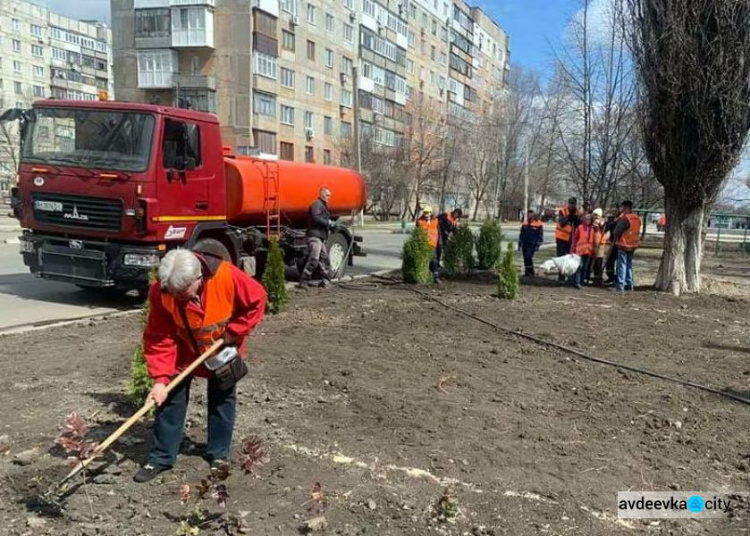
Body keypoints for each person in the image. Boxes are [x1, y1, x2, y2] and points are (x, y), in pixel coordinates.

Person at [134, 247, 267, 483]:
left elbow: (257, 299)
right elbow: (159, 336)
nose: (179, 297)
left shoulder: (226, 275)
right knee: (169, 398)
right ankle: (161, 457)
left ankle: (219, 454)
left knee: (222, 398)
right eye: (175, 292)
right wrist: (160, 379)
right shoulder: (162, 291)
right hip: (184, 351)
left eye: (184, 292)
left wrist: (234, 332)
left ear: (199, 278)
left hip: (221, 349)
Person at [299, 187, 336, 288]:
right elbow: (316, 217)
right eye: (328, 195)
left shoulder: (323, 205)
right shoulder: (317, 204)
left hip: (320, 237)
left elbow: (321, 219)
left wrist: (330, 226)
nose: (329, 197)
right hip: (314, 236)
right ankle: (304, 281)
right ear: (322, 194)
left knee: (324, 259)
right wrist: (328, 222)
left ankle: (326, 281)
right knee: (314, 259)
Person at [611, 200, 642, 293]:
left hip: (623, 245)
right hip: (633, 245)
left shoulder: (625, 219)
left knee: (622, 265)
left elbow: (616, 232)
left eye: (622, 207)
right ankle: (629, 284)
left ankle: (620, 286)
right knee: (629, 265)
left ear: (625, 207)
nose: (621, 209)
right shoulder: (637, 218)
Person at [555, 197, 582, 281]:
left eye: (573, 203)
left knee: (571, 258)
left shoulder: (578, 212)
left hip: (572, 239)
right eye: (570, 203)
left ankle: (570, 277)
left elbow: (580, 223)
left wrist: (576, 219)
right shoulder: (562, 211)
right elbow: (562, 222)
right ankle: (561, 277)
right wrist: (569, 217)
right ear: (568, 203)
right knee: (561, 258)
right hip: (562, 239)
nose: (572, 205)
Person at [417, 205, 441, 283]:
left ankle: (436, 277)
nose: (425, 214)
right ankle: (424, 276)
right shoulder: (420, 221)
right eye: (424, 212)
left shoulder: (436, 221)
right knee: (425, 260)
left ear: (431, 213)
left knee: (434, 260)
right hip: (423, 243)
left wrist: (439, 242)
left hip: (433, 243)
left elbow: (439, 232)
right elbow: (417, 232)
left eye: (427, 212)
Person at [570, 212, 595, 289]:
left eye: (589, 219)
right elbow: (574, 240)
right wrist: (572, 250)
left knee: (585, 268)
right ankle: (577, 282)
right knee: (579, 267)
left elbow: (592, 241)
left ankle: (582, 282)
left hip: (588, 251)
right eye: (586, 219)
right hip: (580, 251)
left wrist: (593, 251)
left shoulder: (592, 229)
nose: (588, 220)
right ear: (583, 220)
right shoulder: (579, 228)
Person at [518, 209, 544, 277]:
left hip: (532, 243)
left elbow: (540, 235)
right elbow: (521, 234)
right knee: (525, 258)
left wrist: (538, 244)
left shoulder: (538, 224)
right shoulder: (525, 223)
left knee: (529, 256)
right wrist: (520, 243)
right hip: (525, 243)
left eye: (531, 214)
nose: (529, 215)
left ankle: (531, 272)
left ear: (533, 215)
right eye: (528, 214)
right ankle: (527, 272)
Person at [590, 208, 608, 286]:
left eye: (596, 215)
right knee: (593, 262)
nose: (595, 217)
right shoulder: (591, 222)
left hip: (600, 244)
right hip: (592, 243)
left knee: (598, 262)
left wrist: (601, 224)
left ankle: (598, 278)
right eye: (594, 215)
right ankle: (594, 277)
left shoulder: (602, 222)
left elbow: (604, 228)